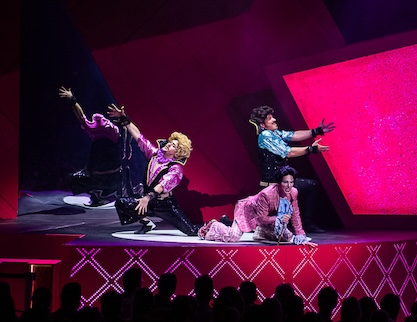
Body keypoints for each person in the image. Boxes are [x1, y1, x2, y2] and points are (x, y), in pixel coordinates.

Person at [107, 104, 201, 235]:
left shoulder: (176, 169)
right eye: (170, 141)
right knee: (122, 203)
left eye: (173, 145)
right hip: (148, 202)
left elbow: (162, 185)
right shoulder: (154, 154)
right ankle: (147, 223)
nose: (169, 144)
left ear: (177, 152)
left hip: (165, 205)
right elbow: (139, 137)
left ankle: (220, 226)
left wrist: (147, 197)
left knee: (191, 231)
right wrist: (125, 119)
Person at [249, 105, 335, 233]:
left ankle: (303, 224)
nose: (274, 120)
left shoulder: (274, 133)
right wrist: (311, 149)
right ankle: (304, 224)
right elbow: (288, 152)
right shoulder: (266, 136)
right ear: (262, 125)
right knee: (309, 187)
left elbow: (293, 135)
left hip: (282, 182)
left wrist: (316, 131)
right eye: (270, 118)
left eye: (273, 117)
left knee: (309, 187)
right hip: (272, 185)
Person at [199, 165, 317, 247]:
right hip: (248, 211)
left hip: (267, 216)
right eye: (285, 182)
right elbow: (261, 218)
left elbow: (295, 214)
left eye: (291, 182)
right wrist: (279, 218)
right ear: (279, 182)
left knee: (286, 237)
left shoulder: (293, 192)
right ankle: (213, 225)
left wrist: (300, 234)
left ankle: (260, 232)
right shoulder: (267, 194)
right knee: (232, 237)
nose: (289, 185)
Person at [58, 86, 123, 206]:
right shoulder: (113, 132)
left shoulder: (103, 133)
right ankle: (102, 193)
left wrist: (73, 100)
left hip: (108, 176)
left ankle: (102, 192)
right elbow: (82, 118)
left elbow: (82, 118)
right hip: (110, 175)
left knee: (75, 178)